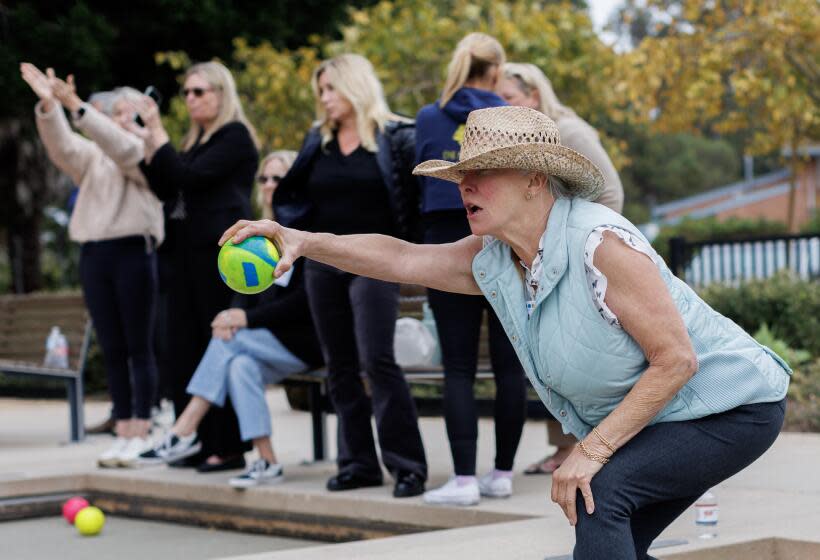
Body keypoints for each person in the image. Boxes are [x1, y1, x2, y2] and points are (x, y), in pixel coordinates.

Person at [222, 106, 790, 558]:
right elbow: (400, 258)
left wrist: (590, 450)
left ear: (534, 180)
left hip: (730, 408)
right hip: (666, 417)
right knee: (603, 535)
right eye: (461, 175)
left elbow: (677, 361)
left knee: (601, 497)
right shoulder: (498, 260)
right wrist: (302, 240)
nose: (463, 186)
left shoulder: (602, 245)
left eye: (481, 174)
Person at [273, 53, 427, 499]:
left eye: (330, 89)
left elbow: (414, 200)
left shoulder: (395, 137)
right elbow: (292, 193)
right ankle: (357, 463)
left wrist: (412, 252)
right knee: (338, 365)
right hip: (323, 261)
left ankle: (406, 466)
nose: (323, 99)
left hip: (376, 260)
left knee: (376, 360)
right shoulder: (316, 141)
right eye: (320, 91)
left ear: (354, 86)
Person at [139, 152, 323, 488]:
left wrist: (245, 319)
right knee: (240, 366)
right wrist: (232, 313)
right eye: (263, 179)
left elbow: (304, 303)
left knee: (232, 339)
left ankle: (185, 428)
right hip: (266, 343)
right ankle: (266, 461)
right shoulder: (257, 234)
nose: (269, 186)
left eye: (277, 178)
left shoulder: (307, 231)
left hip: (307, 339)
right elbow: (243, 289)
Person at [21, 63, 164, 467]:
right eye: (114, 112)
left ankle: (142, 427)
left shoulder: (146, 154)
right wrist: (49, 107)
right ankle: (122, 430)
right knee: (114, 347)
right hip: (95, 254)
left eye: (127, 113)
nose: (119, 120)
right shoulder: (95, 158)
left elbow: (124, 148)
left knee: (139, 346)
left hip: (133, 251)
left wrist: (82, 110)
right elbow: (64, 148)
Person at [130, 61, 259, 473]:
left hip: (219, 255)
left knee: (216, 344)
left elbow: (190, 178)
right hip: (183, 255)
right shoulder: (194, 141)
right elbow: (165, 185)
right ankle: (195, 439)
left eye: (199, 91)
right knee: (180, 348)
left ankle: (227, 444)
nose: (190, 99)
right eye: (186, 92)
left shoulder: (234, 136)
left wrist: (160, 136)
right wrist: (149, 142)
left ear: (221, 93)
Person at [414, 32, 527, 506]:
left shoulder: (428, 118)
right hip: (506, 240)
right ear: (497, 72)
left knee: (457, 367)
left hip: (445, 243)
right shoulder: (513, 119)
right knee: (509, 366)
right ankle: (501, 473)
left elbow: (418, 187)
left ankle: (462, 480)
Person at [497, 62, 625, 475]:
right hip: (542, 263)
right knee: (552, 353)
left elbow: (610, 191)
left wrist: (584, 247)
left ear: (534, 95)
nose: (502, 106)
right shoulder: (517, 144)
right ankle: (565, 448)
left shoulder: (569, 132)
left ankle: (601, 444)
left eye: (508, 98)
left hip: (583, 263)